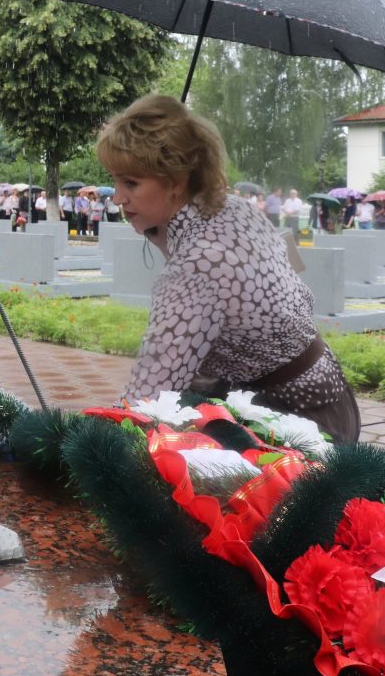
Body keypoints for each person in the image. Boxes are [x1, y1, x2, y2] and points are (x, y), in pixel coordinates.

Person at [96, 95, 360, 443]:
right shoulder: (238, 208)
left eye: (130, 183)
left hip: (294, 427)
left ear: (176, 181)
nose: (118, 197)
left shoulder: (195, 266)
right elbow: (293, 282)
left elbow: (150, 397)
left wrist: (94, 441)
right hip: (333, 396)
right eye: (115, 181)